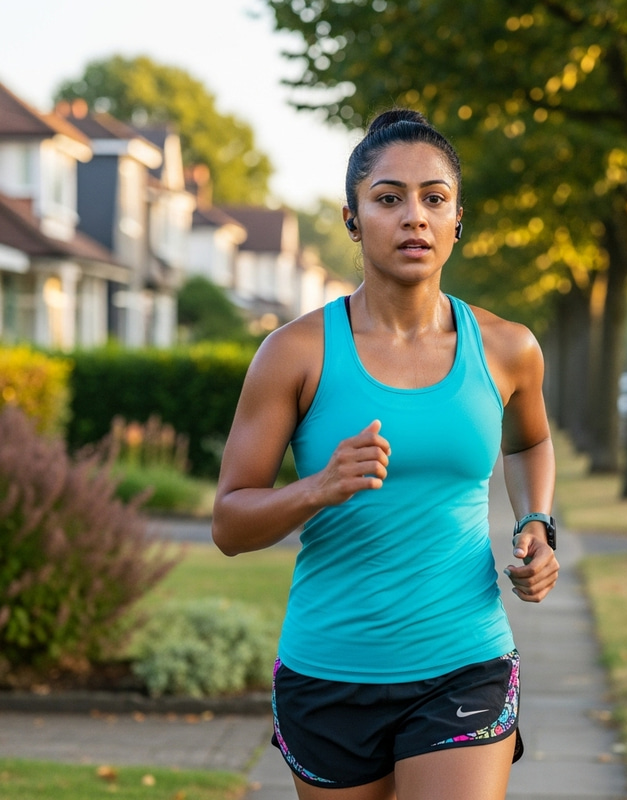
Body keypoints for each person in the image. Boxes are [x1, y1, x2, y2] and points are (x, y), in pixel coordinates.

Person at [212, 108, 559, 800]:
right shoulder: (294, 353)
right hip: (329, 670)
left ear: (458, 220)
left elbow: (529, 440)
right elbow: (229, 525)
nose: (414, 218)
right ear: (352, 219)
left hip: (465, 660)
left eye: (434, 198)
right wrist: (318, 488)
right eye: (389, 198)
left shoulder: (507, 347)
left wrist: (537, 524)